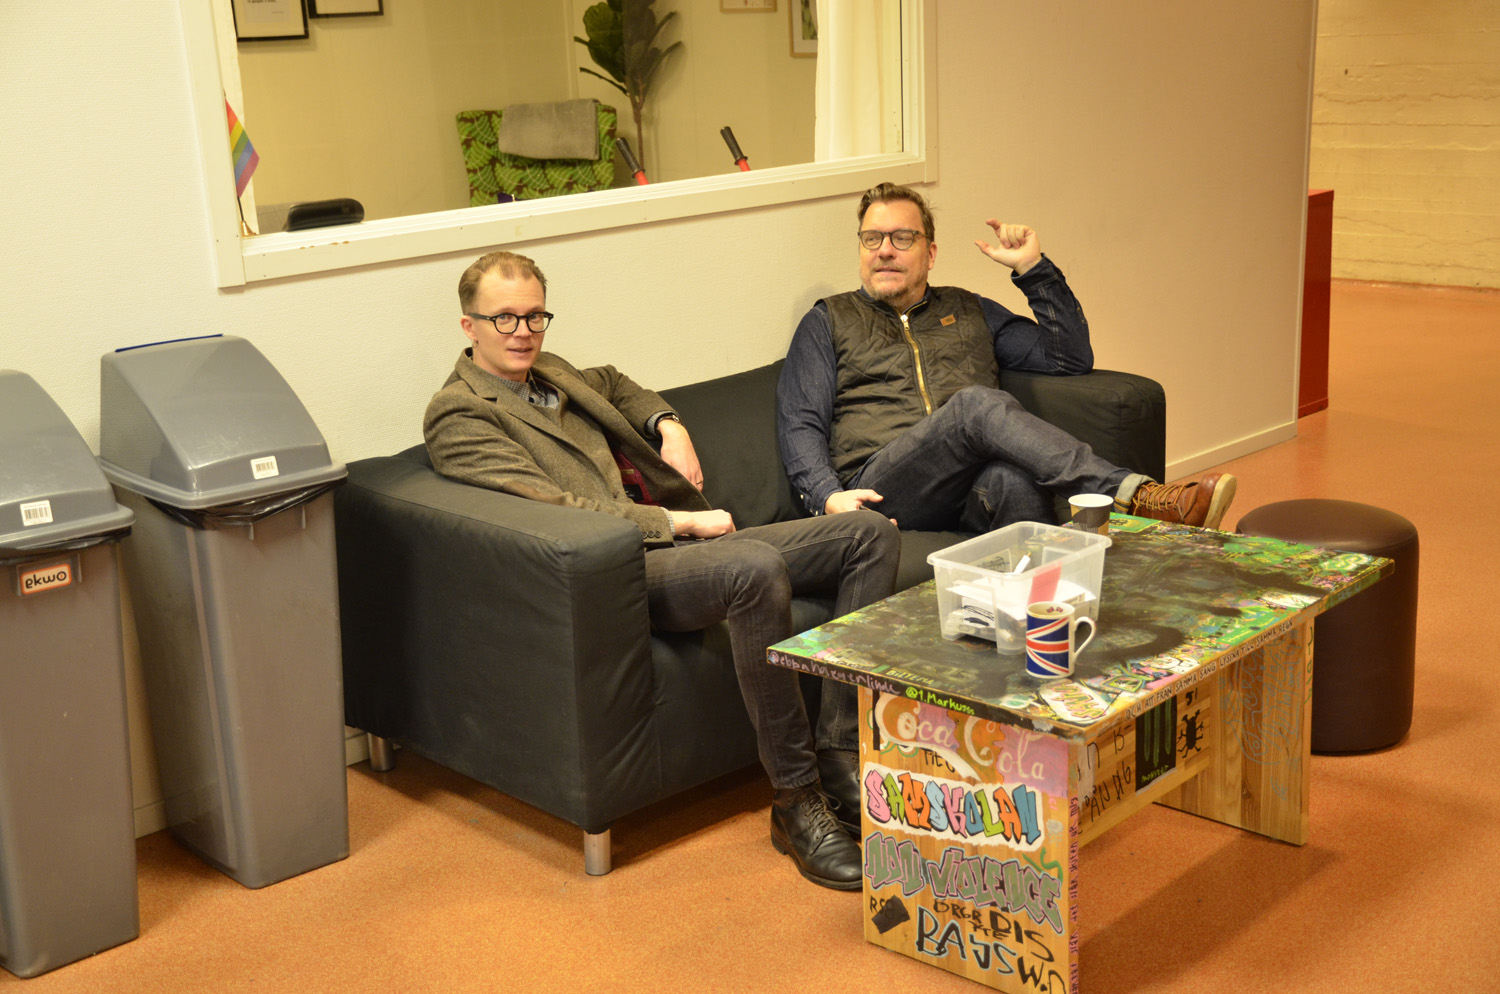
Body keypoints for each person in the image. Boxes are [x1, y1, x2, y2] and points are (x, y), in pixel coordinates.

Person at [424, 250, 899, 891]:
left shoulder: (553, 371)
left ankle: (840, 752)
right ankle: (796, 800)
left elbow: (618, 383)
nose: (523, 332)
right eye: (504, 318)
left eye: (535, 316)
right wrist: (678, 523)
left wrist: (668, 425)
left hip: (683, 551)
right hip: (620, 571)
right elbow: (553, 508)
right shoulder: (460, 414)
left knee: (868, 534)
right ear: (469, 326)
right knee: (754, 567)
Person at [777, 182, 1236, 534]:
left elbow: (1069, 358)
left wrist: (1032, 270)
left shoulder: (967, 309)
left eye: (902, 238)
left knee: (1015, 481)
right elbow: (800, 423)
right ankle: (1134, 495)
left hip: (967, 485)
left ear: (930, 253)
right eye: (872, 238)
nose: (884, 251)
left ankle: (1044, 615)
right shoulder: (829, 320)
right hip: (883, 490)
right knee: (974, 405)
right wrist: (828, 497)